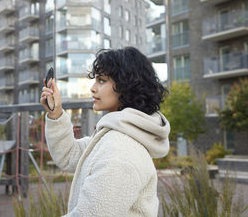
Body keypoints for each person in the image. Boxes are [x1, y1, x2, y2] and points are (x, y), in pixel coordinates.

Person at [40, 47, 170, 216]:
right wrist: (56, 113)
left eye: (101, 80)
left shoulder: (121, 150)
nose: (92, 88)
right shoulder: (116, 134)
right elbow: (69, 155)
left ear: (127, 85)